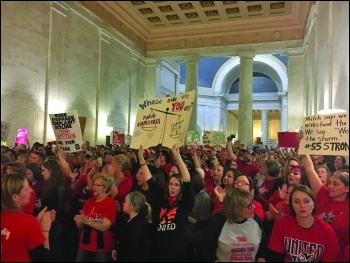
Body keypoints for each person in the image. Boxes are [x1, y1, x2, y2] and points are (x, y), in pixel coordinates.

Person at [267, 185, 340, 261]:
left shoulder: (326, 231)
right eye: (296, 201)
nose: (302, 206)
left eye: (306, 201)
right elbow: (275, 257)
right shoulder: (282, 224)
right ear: (292, 205)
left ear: (314, 204)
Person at [198, 188, 267, 262]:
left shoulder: (256, 220)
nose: (254, 207)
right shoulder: (218, 221)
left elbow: (262, 250)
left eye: (252, 203)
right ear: (236, 208)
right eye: (249, 206)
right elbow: (206, 250)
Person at [302, 154, 349, 261]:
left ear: (347, 188)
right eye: (329, 183)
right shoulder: (323, 193)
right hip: (310, 251)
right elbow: (309, 170)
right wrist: (303, 146)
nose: (330, 186)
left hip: (336, 256)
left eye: (335, 184)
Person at [152, 145, 195, 262]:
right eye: (170, 184)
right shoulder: (162, 200)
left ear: (181, 188)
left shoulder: (184, 203)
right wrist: (141, 159)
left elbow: (186, 179)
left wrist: (177, 156)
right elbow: (150, 182)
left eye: (176, 185)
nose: (172, 187)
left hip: (177, 251)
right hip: (160, 249)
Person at [1, 173, 54, 261]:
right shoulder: (27, 221)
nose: (31, 191)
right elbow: (43, 258)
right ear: (15, 197)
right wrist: (45, 230)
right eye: (26, 189)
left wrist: (37, 222)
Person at [74, 172, 117, 262]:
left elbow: (104, 226)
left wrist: (86, 221)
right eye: (93, 184)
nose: (93, 187)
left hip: (102, 247)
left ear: (105, 188)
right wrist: (79, 221)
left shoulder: (110, 203)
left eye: (97, 185)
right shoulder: (89, 202)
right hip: (85, 244)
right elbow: (80, 227)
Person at [111, 191, 153, 262]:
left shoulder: (137, 225)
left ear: (131, 206)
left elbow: (132, 249)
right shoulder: (127, 220)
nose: (123, 203)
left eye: (125, 202)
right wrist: (116, 249)